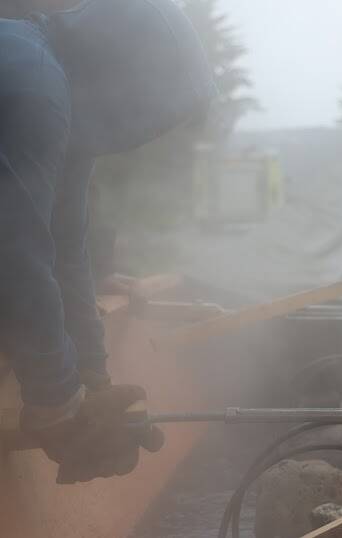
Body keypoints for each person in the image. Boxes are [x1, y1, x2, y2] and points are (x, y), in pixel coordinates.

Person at [0, 0, 215, 483]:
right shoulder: (35, 83)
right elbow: (16, 252)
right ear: (125, 74)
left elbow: (66, 251)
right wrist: (56, 401)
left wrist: (94, 378)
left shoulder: (61, 98)